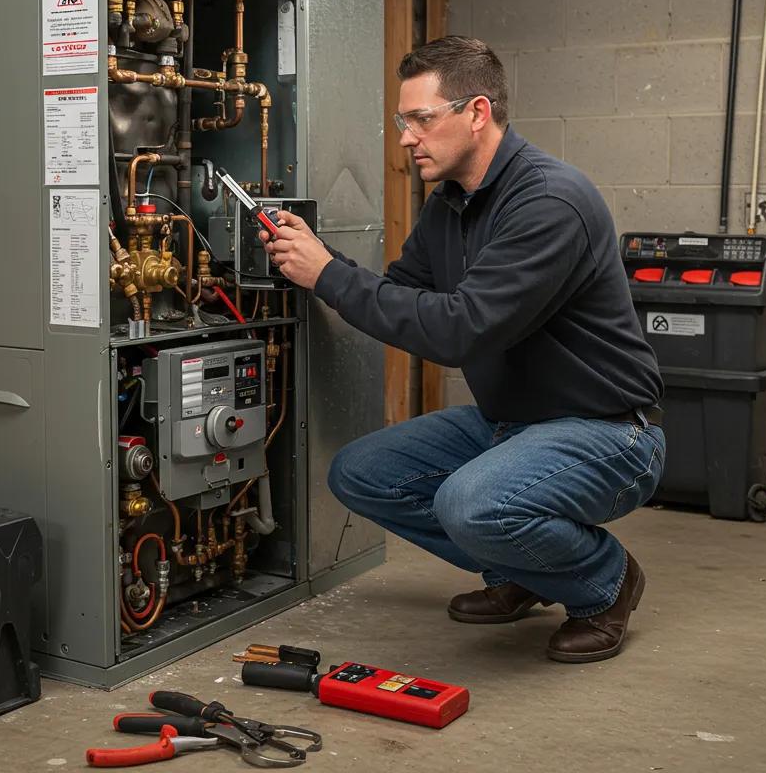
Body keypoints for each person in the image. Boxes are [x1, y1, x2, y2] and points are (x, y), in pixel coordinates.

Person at [260, 35, 665, 664]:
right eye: (402, 121)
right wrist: (319, 259)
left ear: (477, 113)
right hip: (512, 423)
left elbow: (458, 330)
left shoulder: (548, 202)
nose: (406, 138)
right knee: (360, 473)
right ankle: (528, 571)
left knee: (470, 502)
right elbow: (400, 297)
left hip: (608, 433)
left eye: (421, 119)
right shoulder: (451, 204)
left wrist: (327, 276)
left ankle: (604, 581)